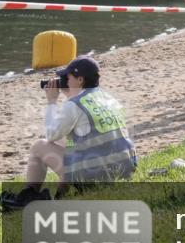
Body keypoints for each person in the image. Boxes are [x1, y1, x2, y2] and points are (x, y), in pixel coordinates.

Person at [8, 57, 137, 207]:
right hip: (123, 172)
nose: (65, 80)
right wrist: (71, 95)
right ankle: (60, 194)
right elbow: (84, 130)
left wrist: (51, 101)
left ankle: (29, 194)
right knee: (66, 141)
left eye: (67, 77)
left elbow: (51, 134)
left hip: (95, 179)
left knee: (40, 146)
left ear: (80, 79)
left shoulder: (74, 105)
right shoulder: (108, 98)